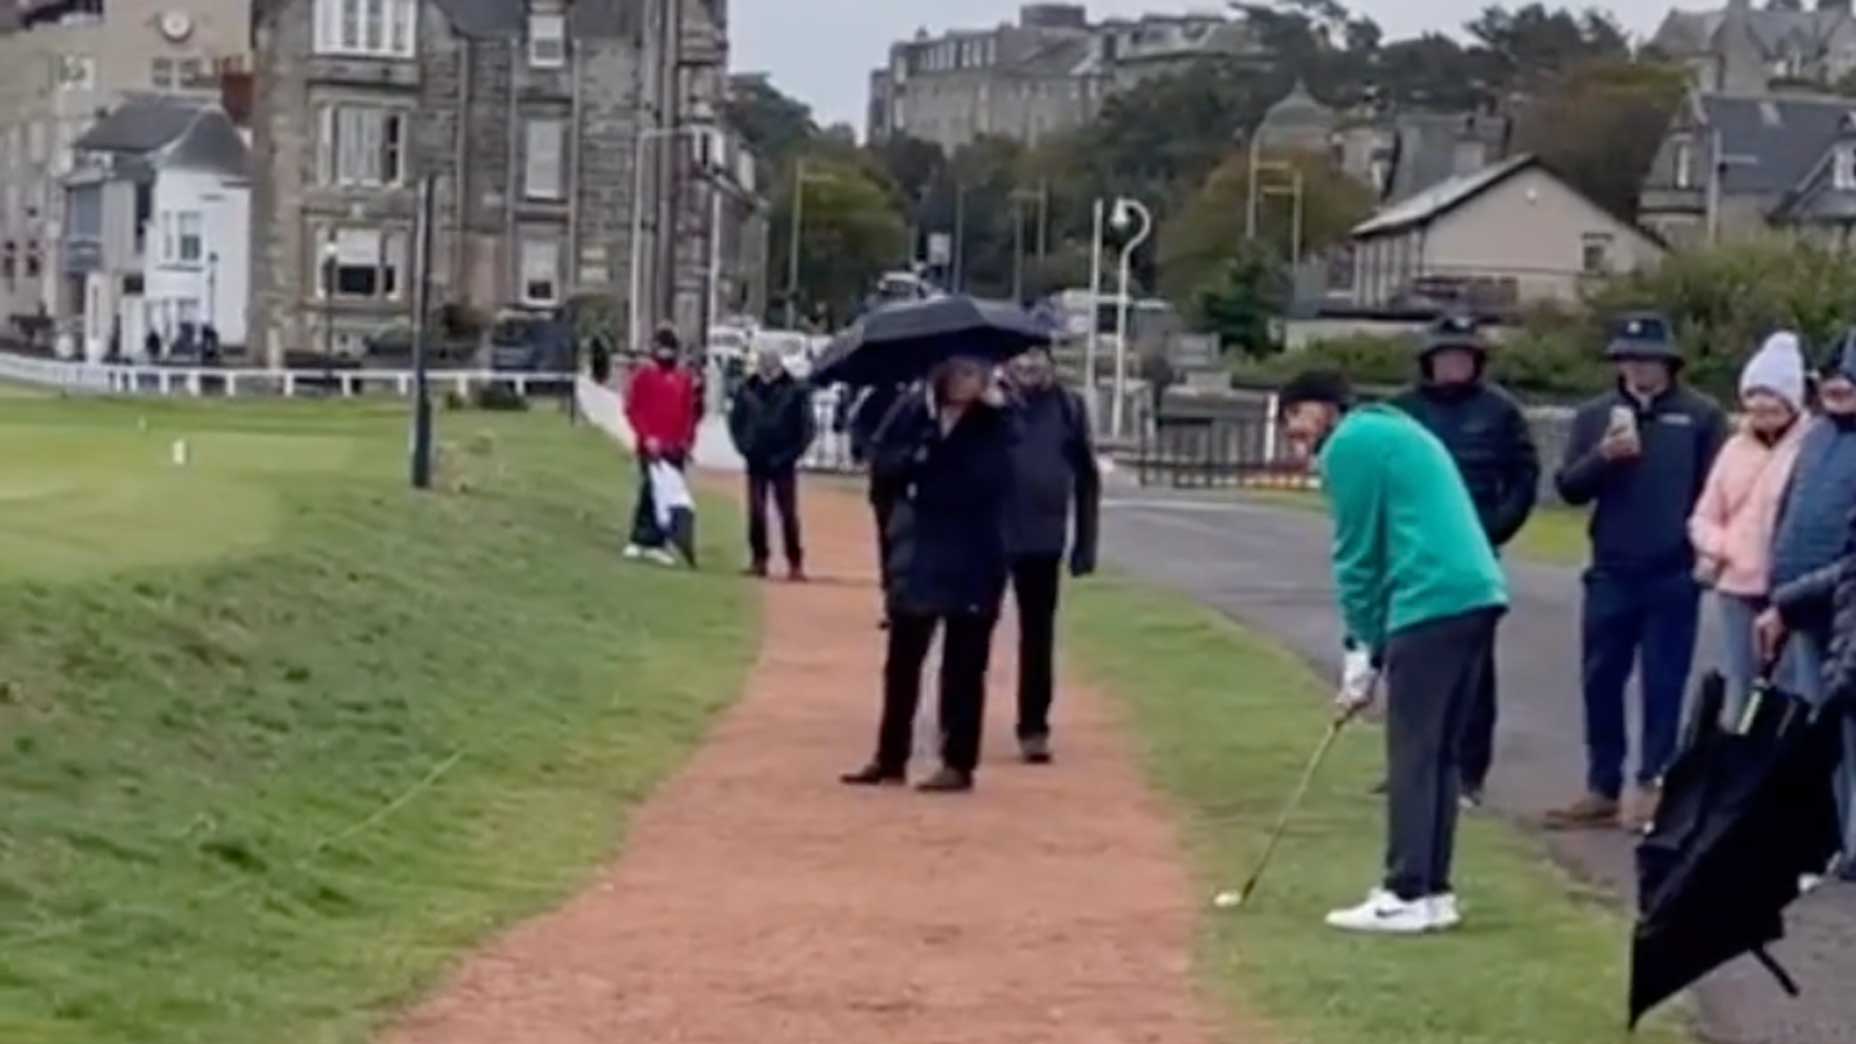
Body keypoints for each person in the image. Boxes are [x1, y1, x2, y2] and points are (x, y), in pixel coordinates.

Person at [1278, 369, 1507, 934]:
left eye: (1296, 419)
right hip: (1474, 593)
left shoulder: (1352, 445)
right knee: (1441, 754)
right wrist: (1373, 649)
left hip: (1431, 597)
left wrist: (1359, 650)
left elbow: (1359, 554)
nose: (1294, 436)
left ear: (1325, 409)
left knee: (1413, 750)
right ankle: (1433, 891)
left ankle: (1404, 890)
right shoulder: (1388, 433)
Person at [1548, 313, 1729, 832]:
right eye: (1629, 359)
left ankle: (1654, 785)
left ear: (1669, 363)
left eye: (1648, 359)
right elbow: (1570, 488)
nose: (1638, 369)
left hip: (1672, 572)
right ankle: (1602, 786)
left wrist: (1707, 553)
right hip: (1611, 569)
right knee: (1600, 680)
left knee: (1664, 683)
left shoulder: (1701, 416)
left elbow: (1714, 493)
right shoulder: (1596, 414)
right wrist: (1604, 457)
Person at [842, 356, 1016, 794]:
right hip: (920, 550)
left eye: (973, 374)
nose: (965, 383)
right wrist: (915, 458)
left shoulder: (999, 421)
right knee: (903, 658)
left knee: (963, 664)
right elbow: (883, 464)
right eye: (957, 373)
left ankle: (957, 761)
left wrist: (931, 467)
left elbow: (989, 483)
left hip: (975, 554)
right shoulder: (913, 412)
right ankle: (890, 755)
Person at [1391, 314, 1539, 807]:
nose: (1454, 364)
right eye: (1446, 356)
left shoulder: (1500, 412)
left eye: (1464, 356)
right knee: (1410, 665)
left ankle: (1468, 772)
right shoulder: (1402, 411)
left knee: (1474, 671)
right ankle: (1412, 768)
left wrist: (1495, 528)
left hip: (1474, 553)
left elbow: (1524, 476)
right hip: (1412, 554)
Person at [1760, 330, 1856, 882]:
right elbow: (1789, 516)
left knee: (1843, 734)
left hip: (1838, 608)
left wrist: (1790, 600)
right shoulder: (1816, 437)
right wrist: (1778, 591)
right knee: (1806, 730)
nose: (1840, 386)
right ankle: (1820, 840)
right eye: (1836, 375)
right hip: (1801, 608)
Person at [1688, 332, 1807, 724]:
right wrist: (1725, 547)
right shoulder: (1733, 449)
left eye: (1772, 398)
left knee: (1789, 691)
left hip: (1789, 591)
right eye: (1753, 397)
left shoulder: (1812, 447)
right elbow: (1703, 517)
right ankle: (1733, 774)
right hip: (1737, 588)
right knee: (1739, 688)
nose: (1761, 407)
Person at [1002, 346, 1100, 764]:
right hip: (989, 532)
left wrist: (1085, 543)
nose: (1028, 366)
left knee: (1038, 637)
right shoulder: (993, 402)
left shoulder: (1068, 407)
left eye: (1037, 357)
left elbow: (1087, 479)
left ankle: (1034, 727)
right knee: (968, 630)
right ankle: (958, 722)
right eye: (1020, 358)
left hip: (1043, 536)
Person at [727, 346, 816, 580]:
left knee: (787, 513)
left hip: (784, 462)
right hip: (756, 460)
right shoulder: (747, 389)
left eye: (771, 366)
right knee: (756, 511)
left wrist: (791, 454)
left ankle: (794, 562)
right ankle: (759, 559)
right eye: (763, 365)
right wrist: (745, 448)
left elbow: (806, 429)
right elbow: (735, 422)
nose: (767, 370)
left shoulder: (796, 391)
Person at [623, 326, 701, 567]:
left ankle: (659, 541)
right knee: (649, 489)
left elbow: (690, 413)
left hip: (674, 446)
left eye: (670, 349)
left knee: (668, 496)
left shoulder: (684, 379)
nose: (666, 353)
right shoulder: (644, 375)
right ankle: (640, 538)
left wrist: (686, 443)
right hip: (651, 445)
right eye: (662, 348)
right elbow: (633, 408)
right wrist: (646, 437)